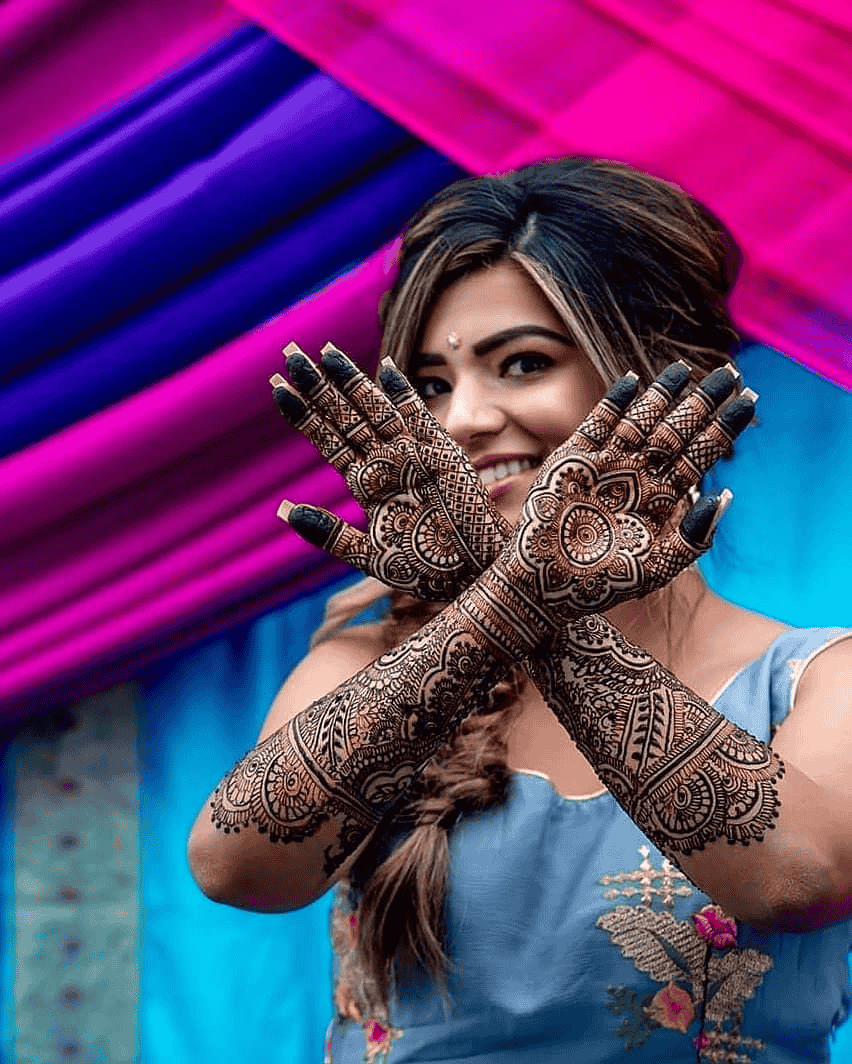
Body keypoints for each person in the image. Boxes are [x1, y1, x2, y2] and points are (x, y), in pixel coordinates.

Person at [188, 159, 852, 1063]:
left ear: (672, 385)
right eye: (428, 384)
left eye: (523, 363)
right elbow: (239, 867)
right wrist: (509, 608)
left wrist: (525, 602)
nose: (461, 418)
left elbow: (797, 882)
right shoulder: (372, 650)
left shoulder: (816, 680)